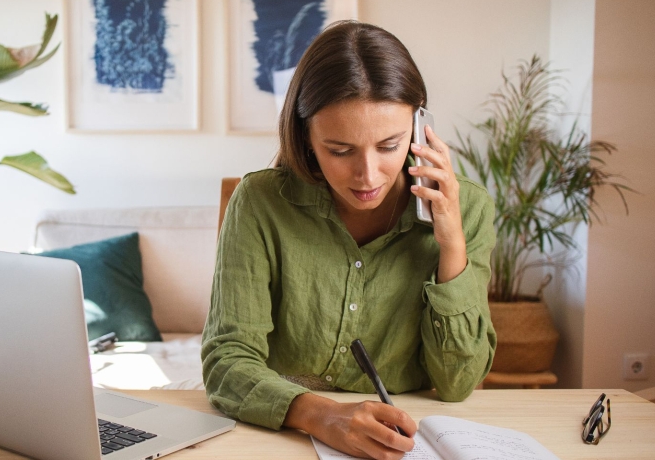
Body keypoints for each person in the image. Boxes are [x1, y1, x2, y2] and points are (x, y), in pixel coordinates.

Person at [201, 21, 497, 460]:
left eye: (390, 145)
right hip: (279, 439)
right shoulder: (261, 202)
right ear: (306, 137)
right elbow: (227, 360)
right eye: (340, 150)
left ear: (419, 127)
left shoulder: (467, 207)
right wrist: (322, 416)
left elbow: (457, 383)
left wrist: (451, 244)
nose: (368, 175)